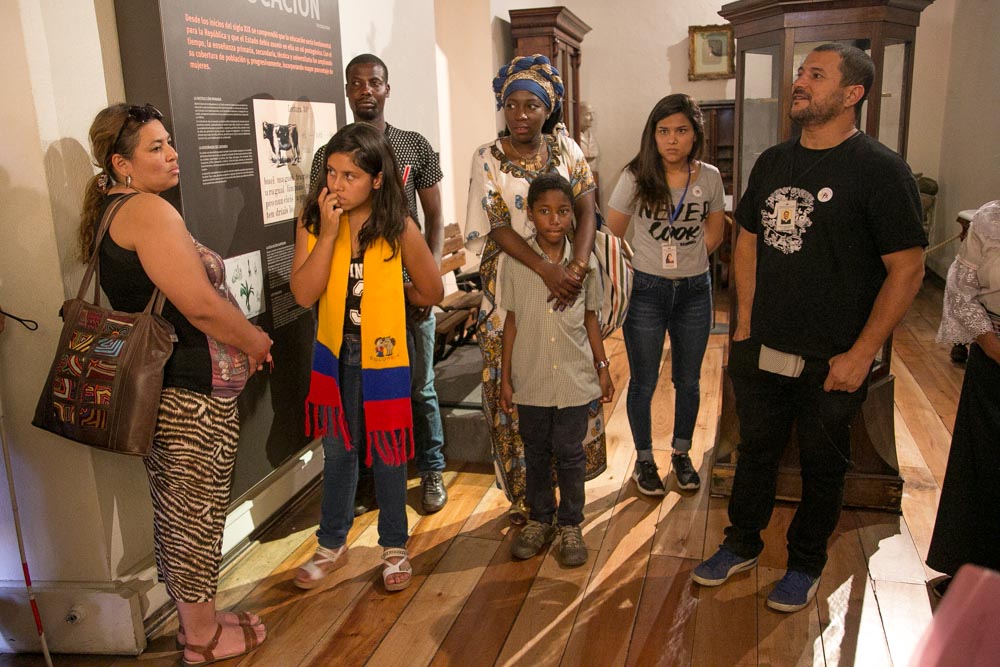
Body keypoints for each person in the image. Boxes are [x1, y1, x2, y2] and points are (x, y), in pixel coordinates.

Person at [691, 43, 927, 612]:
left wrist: (863, 352)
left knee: (824, 465)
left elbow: (908, 268)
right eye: (800, 73)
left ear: (853, 94)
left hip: (834, 356)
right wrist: (743, 323)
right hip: (761, 344)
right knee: (755, 451)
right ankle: (742, 542)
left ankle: (805, 563)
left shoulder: (880, 170)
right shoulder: (773, 162)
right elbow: (746, 239)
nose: (800, 82)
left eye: (815, 76)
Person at [79, 103, 273, 664]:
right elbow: (199, 306)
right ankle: (201, 640)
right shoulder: (148, 212)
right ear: (122, 164)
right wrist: (255, 341)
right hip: (187, 388)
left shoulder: (115, 210)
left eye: (170, 142)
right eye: (155, 148)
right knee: (193, 511)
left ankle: (203, 619)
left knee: (182, 507)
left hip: (167, 389)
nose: (171, 154)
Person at [291, 123, 443, 591]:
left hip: (385, 355)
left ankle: (394, 546)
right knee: (339, 452)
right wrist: (329, 231)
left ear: (377, 179)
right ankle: (331, 543)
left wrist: (394, 295)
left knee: (390, 452)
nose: (336, 185)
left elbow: (433, 289)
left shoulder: (399, 227)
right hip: (335, 354)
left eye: (350, 175)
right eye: (332, 173)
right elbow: (303, 292)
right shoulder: (316, 220)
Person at [465, 53, 601, 524]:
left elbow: (587, 208)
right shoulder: (487, 156)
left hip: (568, 283)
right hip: (510, 291)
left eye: (531, 106)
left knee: (566, 382)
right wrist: (546, 270)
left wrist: (576, 269)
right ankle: (527, 498)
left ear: (548, 110)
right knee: (512, 390)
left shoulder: (568, 152)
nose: (521, 115)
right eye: (512, 105)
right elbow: (498, 225)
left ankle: (571, 504)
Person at [309, 53, 448, 516]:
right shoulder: (327, 153)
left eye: (374, 82)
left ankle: (430, 469)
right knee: (356, 394)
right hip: (352, 299)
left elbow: (433, 216)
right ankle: (370, 482)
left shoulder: (413, 146)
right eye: (356, 83)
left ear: (387, 89)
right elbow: (322, 222)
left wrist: (421, 278)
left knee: (418, 388)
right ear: (347, 91)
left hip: (403, 293)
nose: (365, 89)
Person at [605, 94, 726, 496]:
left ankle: (681, 453)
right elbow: (613, 234)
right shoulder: (636, 176)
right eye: (663, 131)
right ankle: (643, 459)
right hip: (647, 291)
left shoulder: (708, 177)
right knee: (643, 381)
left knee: (688, 380)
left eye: (681, 130)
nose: (672, 140)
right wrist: (642, 265)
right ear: (652, 135)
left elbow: (715, 229)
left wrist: (691, 260)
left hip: (695, 290)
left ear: (695, 135)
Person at [499, 174, 614, 566]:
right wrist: (505, 377)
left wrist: (602, 368)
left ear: (572, 217)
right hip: (530, 379)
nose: (554, 219)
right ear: (530, 215)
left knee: (569, 453)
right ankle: (540, 519)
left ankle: (570, 524)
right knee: (535, 451)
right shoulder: (514, 263)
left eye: (563, 211)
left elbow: (591, 320)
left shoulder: (586, 266)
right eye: (544, 211)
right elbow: (510, 322)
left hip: (574, 380)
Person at [927, 199, 1000, 597]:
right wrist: (990, 344)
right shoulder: (990, 218)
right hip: (993, 355)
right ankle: (978, 571)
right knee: (983, 464)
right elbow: (961, 288)